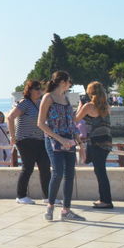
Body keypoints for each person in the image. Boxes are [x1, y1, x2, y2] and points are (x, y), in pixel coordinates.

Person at [37, 71, 84, 222]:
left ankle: (66, 210)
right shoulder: (48, 97)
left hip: (69, 140)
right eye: (69, 81)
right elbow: (40, 123)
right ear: (62, 82)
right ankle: (50, 206)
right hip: (53, 140)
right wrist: (59, 138)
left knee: (70, 174)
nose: (70, 84)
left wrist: (80, 143)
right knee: (57, 173)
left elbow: (71, 123)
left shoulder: (66, 98)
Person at [7, 80, 51, 204]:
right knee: (28, 168)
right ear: (30, 90)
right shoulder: (24, 103)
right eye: (37, 89)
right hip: (25, 140)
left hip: (40, 139)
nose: (40, 91)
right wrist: (12, 137)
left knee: (45, 167)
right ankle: (21, 196)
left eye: (41, 89)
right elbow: (10, 117)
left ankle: (47, 196)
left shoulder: (39, 103)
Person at [75, 81, 113, 209]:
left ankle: (106, 200)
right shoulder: (107, 106)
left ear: (90, 93)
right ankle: (104, 198)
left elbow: (75, 119)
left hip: (96, 142)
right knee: (100, 169)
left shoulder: (88, 106)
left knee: (100, 171)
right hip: (107, 141)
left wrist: (80, 106)